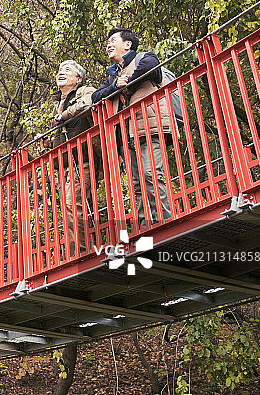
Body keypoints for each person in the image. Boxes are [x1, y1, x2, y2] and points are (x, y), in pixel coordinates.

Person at [92, 28, 172, 228]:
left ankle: (164, 222)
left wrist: (126, 84)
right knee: (136, 183)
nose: (108, 45)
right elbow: (96, 97)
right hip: (127, 134)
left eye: (113, 40)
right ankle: (146, 226)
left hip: (149, 126)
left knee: (151, 174)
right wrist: (114, 87)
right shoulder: (112, 76)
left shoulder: (144, 58)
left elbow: (151, 67)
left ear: (128, 44)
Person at [50, 60, 98, 255]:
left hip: (85, 158)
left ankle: (80, 253)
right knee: (71, 206)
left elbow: (91, 101)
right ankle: (82, 249)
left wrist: (65, 115)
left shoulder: (85, 91)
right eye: (60, 70)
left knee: (72, 204)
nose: (61, 72)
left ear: (78, 78)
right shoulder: (58, 103)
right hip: (68, 163)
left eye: (67, 70)